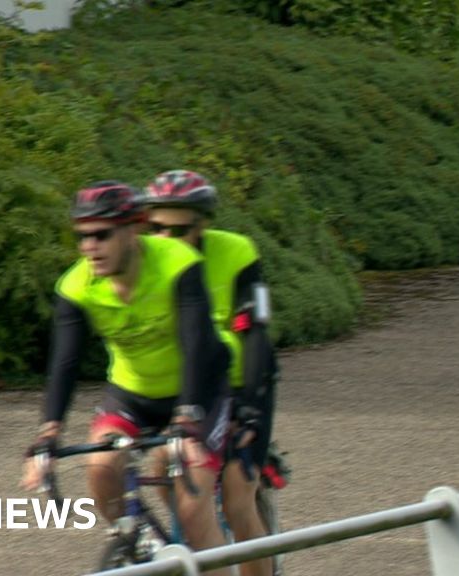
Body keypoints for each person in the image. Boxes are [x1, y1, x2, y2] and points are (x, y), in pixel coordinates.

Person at [20, 180, 233, 576]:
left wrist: (187, 419)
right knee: (101, 467)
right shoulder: (76, 285)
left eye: (101, 235)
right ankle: (141, 544)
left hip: (198, 389)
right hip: (131, 394)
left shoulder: (176, 261)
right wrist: (47, 434)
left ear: (134, 228)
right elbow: (64, 363)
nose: (89, 247)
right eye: (81, 237)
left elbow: (198, 343)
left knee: (192, 512)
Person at [141, 170, 278, 576]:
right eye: (155, 228)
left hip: (242, 384)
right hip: (189, 386)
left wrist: (250, 409)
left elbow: (256, 335)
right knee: (159, 470)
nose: (164, 239)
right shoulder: (142, 261)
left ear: (203, 225)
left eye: (179, 229)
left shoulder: (237, 253)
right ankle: (202, 542)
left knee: (238, 497)